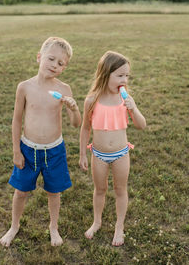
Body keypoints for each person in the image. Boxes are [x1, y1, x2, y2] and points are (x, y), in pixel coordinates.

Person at [0, 37, 81, 247]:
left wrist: (73, 109)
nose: (55, 65)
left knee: (54, 192)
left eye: (60, 63)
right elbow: (17, 120)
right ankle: (14, 226)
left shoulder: (64, 89)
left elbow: (76, 124)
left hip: (54, 150)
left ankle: (53, 227)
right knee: (21, 191)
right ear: (39, 58)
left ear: (65, 68)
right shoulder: (25, 87)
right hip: (28, 149)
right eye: (51, 59)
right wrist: (16, 151)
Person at [79, 51, 146, 246]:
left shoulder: (125, 100)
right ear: (105, 74)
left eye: (127, 76)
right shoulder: (92, 100)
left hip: (121, 154)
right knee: (100, 189)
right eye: (120, 75)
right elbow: (85, 128)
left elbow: (142, 125)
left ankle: (119, 226)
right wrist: (83, 153)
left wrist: (133, 108)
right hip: (98, 154)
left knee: (120, 190)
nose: (124, 80)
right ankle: (97, 221)